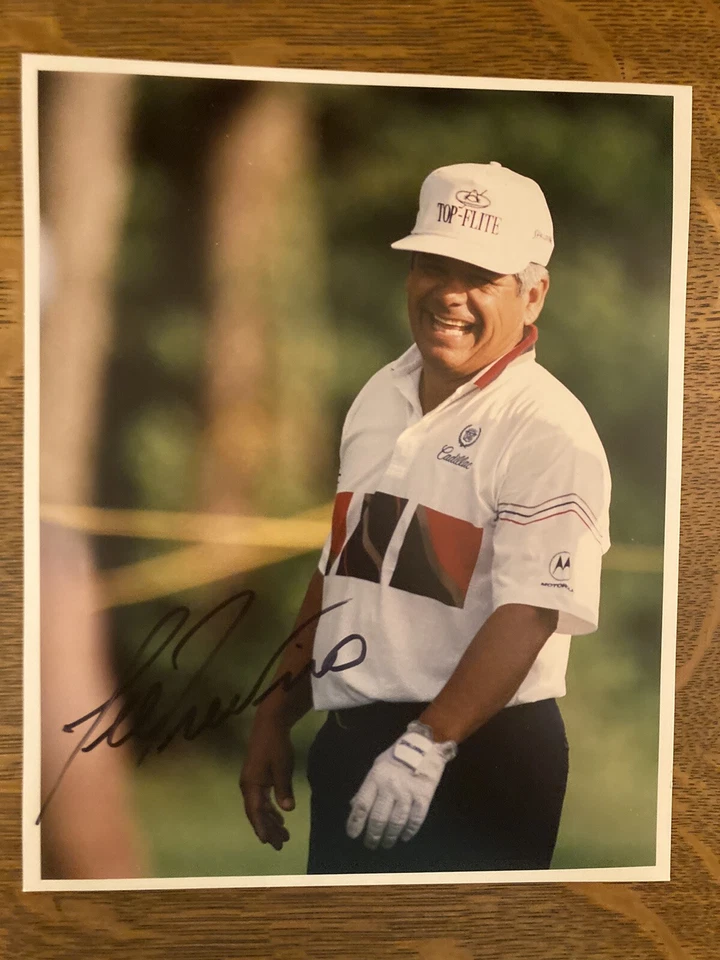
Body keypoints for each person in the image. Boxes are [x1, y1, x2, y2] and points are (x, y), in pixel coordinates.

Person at [241, 161, 611, 874]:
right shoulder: (380, 394)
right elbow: (343, 567)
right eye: (433, 265)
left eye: (480, 276)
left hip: (479, 753)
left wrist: (425, 746)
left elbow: (532, 609)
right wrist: (274, 712)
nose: (449, 294)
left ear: (533, 294)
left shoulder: (548, 427)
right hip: (355, 738)